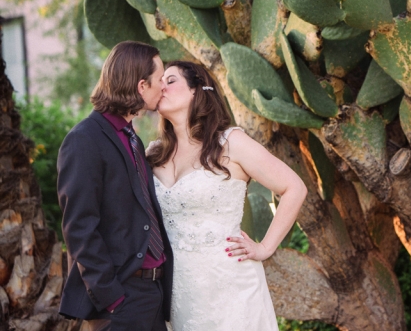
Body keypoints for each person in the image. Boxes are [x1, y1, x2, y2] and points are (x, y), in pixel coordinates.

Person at [148, 61, 307, 330]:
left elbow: (294, 188)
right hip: (178, 290)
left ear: (196, 91)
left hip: (231, 289)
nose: (161, 85)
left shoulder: (230, 142)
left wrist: (265, 248)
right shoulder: (153, 153)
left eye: (171, 80)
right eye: (159, 80)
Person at [57, 41, 173, 330]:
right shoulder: (84, 139)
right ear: (141, 85)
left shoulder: (132, 138)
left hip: (153, 295)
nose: (164, 87)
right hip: (121, 301)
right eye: (160, 80)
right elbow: (79, 226)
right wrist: (112, 299)